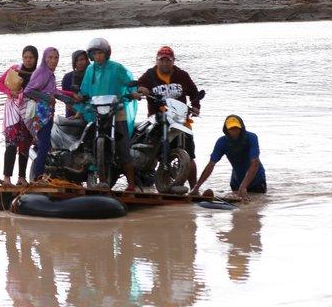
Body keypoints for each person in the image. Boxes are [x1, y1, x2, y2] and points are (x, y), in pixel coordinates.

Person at [75, 37, 140, 191]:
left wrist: (133, 93)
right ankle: (102, 181)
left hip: (116, 110)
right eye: (95, 54)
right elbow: (85, 89)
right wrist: (81, 98)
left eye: (100, 53)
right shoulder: (90, 70)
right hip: (98, 111)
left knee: (123, 146)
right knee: (95, 145)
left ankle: (131, 185)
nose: (97, 57)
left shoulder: (116, 68)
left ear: (107, 53)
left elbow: (128, 82)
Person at [137, 45, 203, 185]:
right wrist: (140, 89)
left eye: (168, 60)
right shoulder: (149, 75)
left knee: (189, 156)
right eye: (161, 60)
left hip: (181, 120)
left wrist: (196, 107)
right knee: (156, 153)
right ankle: (162, 184)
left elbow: (194, 94)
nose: (164, 63)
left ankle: (194, 188)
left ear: (173, 61)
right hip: (158, 119)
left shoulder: (182, 75)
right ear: (156, 60)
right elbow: (137, 86)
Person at [190, 115, 266, 200]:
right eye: (231, 129)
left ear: (241, 128)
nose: (234, 131)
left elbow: (255, 163)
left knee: (255, 206)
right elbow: (211, 165)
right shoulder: (222, 142)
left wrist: (243, 186)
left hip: (257, 181)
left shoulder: (251, 138)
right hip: (236, 182)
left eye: (237, 128)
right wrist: (196, 187)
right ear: (226, 129)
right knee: (238, 210)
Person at [0, 46, 39, 185]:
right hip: (13, 112)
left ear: (36, 58)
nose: (28, 60)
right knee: (11, 145)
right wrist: (10, 92)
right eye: (25, 57)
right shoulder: (15, 69)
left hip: (29, 112)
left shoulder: (39, 74)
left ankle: (21, 177)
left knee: (25, 145)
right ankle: (7, 178)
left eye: (31, 57)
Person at [22, 47, 60, 180]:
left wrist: (72, 98)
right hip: (41, 115)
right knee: (44, 145)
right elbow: (28, 90)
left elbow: (55, 92)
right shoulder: (42, 72)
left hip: (48, 114)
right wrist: (47, 98)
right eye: (50, 57)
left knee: (45, 144)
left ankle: (41, 173)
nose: (53, 60)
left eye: (56, 57)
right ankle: (38, 177)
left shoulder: (50, 74)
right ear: (44, 58)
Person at [61, 49, 89, 117]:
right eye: (76, 60)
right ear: (74, 62)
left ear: (87, 61)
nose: (79, 62)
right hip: (72, 115)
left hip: (90, 112)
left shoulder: (92, 75)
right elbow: (65, 100)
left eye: (82, 59)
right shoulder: (68, 77)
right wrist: (79, 113)